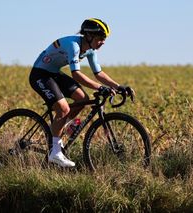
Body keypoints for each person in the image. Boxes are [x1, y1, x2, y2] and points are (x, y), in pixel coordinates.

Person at [29, 18, 134, 167]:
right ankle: (55, 153)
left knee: (82, 99)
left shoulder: (90, 50)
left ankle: (58, 129)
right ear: (89, 36)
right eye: (101, 38)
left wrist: (118, 87)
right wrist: (100, 88)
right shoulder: (74, 45)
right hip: (40, 74)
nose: (103, 42)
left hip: (54, 73)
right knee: (63, 109)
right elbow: (76, 75)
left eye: (104, 39)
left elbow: (98, 73)